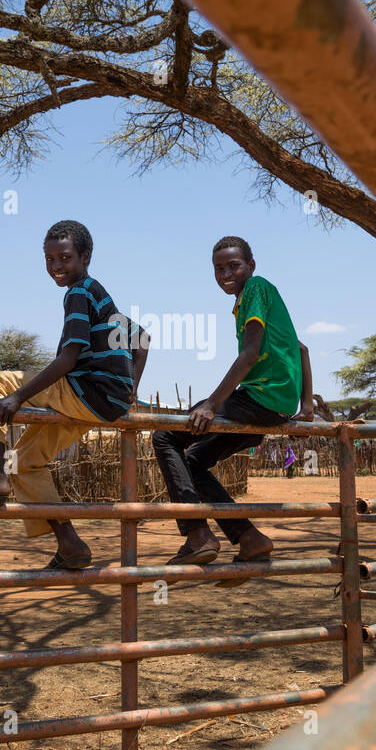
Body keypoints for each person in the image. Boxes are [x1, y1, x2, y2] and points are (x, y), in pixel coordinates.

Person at [0, 220, 148, 569]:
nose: (56, 267)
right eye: (49, 259)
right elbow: (143, 340)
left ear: (85, 256)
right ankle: (70, 545)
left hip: (84, 390)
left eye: (64, 257)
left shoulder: (80, 292)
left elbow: (67, 359)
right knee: (24, 462)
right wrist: (130, 390)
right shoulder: (106, 302)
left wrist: (18, 397)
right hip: (104, 405)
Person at [153, 236, 312, 586]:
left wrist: (211, 404)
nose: (225, 273)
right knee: (194, 461)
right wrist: (307, 404)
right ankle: (249, 538)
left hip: (258, 399)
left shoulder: (255, 288)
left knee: (165, 435)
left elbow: (250, 354)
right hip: (272, 406)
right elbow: (301, 348)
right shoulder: (252, 300)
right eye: (218, 268)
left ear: (251, 266)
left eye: (233, 265)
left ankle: (197, 534)